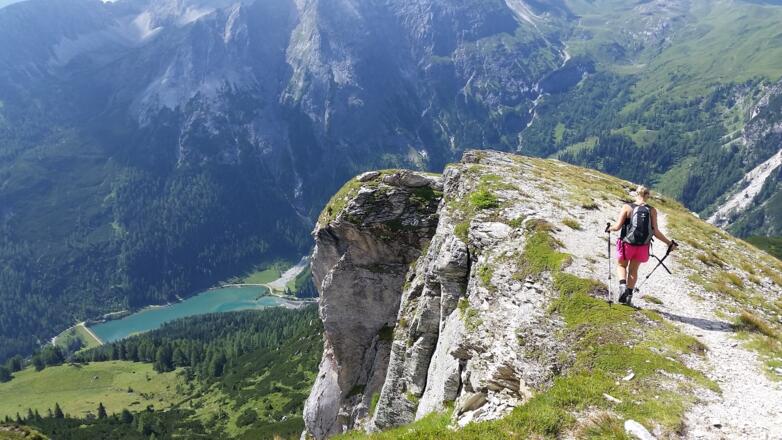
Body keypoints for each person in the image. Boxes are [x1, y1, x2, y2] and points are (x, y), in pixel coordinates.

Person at [606, 185, 677, 305]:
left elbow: (617, 227)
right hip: (643, 246)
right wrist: (669, 243)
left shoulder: (627, 207)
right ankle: (628, 297)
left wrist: (609, 229)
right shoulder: (652, 210)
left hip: (627, 244)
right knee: (634, 270)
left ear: (636, 194)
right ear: (647, 196)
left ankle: (622, 286)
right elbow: (656, 232)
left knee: (622, 266)